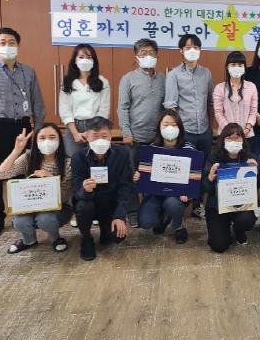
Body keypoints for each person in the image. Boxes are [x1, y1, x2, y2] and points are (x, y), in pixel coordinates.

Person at [0, 27, 45, 238]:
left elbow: (37, 102)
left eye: (12, 42)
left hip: (23, 126)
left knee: (25, 171)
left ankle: (23, 213)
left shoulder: (28, 71)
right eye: (3, 42)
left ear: (18, 45)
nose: (7, 46)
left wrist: (38, 129)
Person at [0, 123, 72, 254]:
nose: (47, 141)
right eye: (42, 138)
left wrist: (50, 179)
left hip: (57, 207)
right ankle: (28, 240)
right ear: (36, 142)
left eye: (52, 137)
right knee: (20, 221)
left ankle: (55, 238)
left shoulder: (67, 163)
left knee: (45, 219)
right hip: (29, 205)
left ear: (60, 140)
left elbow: (64, 196)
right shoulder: (28, 158)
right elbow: (0, 174)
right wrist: (17, 150)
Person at [118, 38, 166, 227]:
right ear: (136, 56)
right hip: (134, 137)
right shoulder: (128, 78)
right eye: (143, 53)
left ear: (157, 56)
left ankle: (150, 209)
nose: (148, 56)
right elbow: (122, 107)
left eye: (151, 53)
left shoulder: (164, 79)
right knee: (132, 176)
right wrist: (126, 132)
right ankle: (132, 211)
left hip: (157, 138)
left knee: (153, 176)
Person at [164, 34, 213, 218]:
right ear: (181, 51)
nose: (192, 51)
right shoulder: (174, 75)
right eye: (188, 47)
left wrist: (211, 126)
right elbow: (171, 106)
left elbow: (210, 101)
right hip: (186, 131)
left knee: (203, 170)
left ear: (200, 50)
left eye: (196, 47)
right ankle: (180, 204)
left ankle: (198, 204)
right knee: (185, 170)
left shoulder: (206, 73)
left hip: (205, 130)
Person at [71, 116, 134, 261]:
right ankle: (86, 238)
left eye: (104, 136)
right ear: (87, 137)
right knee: (83, 206)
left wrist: (119, 216)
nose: (100, 140)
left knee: (117, 237)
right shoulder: (78, 157)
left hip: (110, 203)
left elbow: (126, 187)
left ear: (110, 136)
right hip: (89, 202)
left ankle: (105, 229)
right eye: (95, 136)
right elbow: (76, 191)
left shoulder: (122, 154)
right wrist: (85, 190)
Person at [134, 109, 194, 244]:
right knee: (146, 222)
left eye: (174, 125)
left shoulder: (189, 149)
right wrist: (139, 177)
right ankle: (163, 217)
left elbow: (193, 176)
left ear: (180, 128)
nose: (170, 128)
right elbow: (145, 173)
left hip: (177, 195)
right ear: (159, 127)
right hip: (155, 193)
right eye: (166, 125)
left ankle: (178, 226)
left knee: (172, 204)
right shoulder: (151, 149)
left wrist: (188, 191)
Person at [203, 123, 258, 253]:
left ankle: (238, 229)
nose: (233, 142)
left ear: (243, 140)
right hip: (217, 206)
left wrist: (256, 172)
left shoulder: (249, 158)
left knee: (247, 221)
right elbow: (205, 188)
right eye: (229, 138)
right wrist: (210, 178)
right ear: (223, 140)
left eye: (237, 138)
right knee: (219, 246)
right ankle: (224, 227)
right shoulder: (213, 157)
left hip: (241, 205)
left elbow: (257, 187)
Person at [59, 43, 110, 158]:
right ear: (75, 60)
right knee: (73, 159)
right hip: (73, 127)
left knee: (95, 158)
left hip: (96, 127)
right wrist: (75, 133)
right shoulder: (68, 82)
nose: (85, 60)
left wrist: (91, 131)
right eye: (81, 57)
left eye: (89, 57)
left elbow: (104, 110)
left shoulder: (103, 82)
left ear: (94, 61)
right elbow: (65, 109)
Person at [213, 51, 258, 145]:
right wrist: (230, 132)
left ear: (244, 68)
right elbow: (218, 113)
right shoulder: (219, 88)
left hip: (246, 136)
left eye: (240, 65)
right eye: (233, 64)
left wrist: (247, 129)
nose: (237, 67)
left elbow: (253, 112)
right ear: (227, 67)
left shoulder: (251, 87)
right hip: (226, 136)